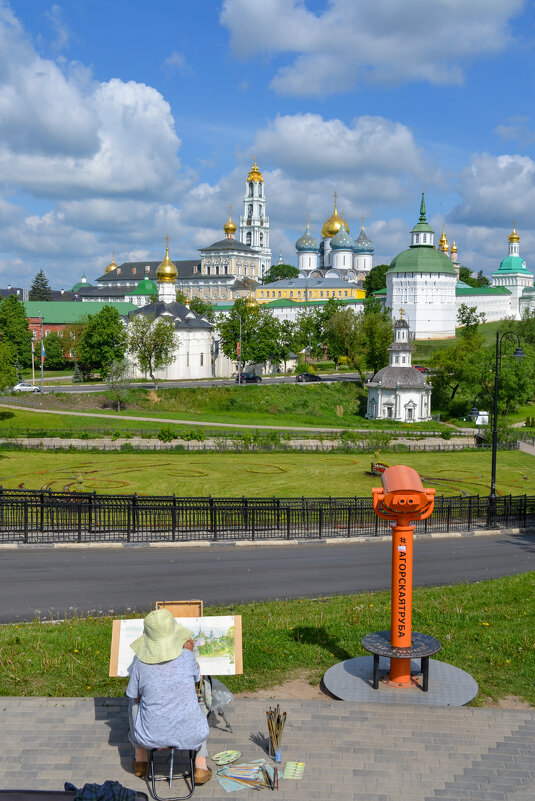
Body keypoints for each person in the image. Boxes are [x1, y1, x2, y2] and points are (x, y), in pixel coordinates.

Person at [126, 609, 212, 785]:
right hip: (191, 734)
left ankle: (140, 760)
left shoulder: (139, 664)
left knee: (132, 704)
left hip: (150, 736)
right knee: (200, 701)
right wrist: (189, 651)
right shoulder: (187, 657)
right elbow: (197, 678)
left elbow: (135, 698)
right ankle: (201, 766)